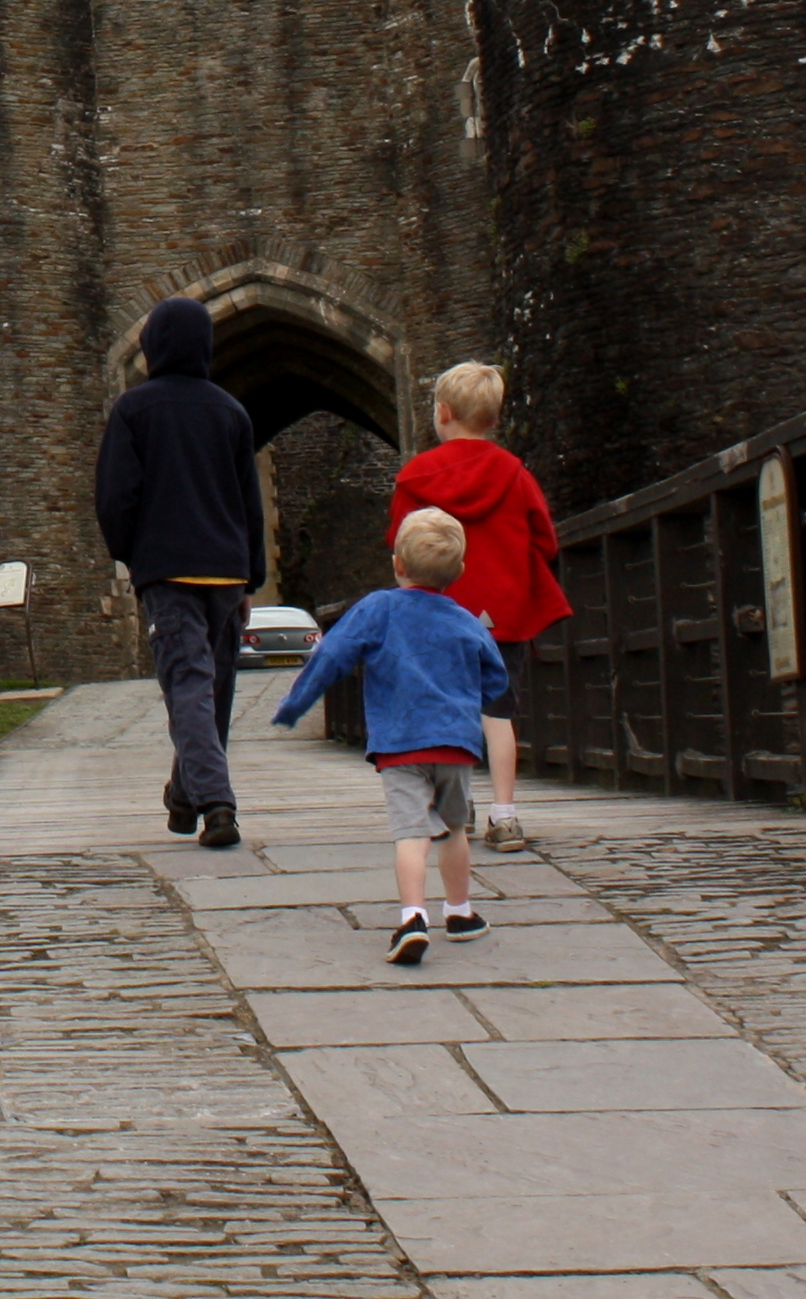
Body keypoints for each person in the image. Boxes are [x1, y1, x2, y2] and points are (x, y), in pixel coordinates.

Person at [271, 507, 515, 962]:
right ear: (459, 571)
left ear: (398, 564)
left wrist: (296, 703)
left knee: (411, 832)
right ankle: (460, 912)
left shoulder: (378, 608)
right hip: (455, 744)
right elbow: (496, 678)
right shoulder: (465, 619)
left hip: (400, 744)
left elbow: (333, 654)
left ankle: (412, 918)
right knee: (454, 828)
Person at [92, 294, 263, 851]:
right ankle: (185, 796)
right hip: (225, 571)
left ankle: (216, 804)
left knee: (188, 684)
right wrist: (251, 578)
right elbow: (249, 505)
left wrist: (134, 558)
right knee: (212, 690)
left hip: (168, 570)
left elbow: (115, 497)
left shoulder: (134, 410)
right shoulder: (231, 412)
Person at [386, 361, 565, 845]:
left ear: (443, 412)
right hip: (501, 615)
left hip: (436, 614)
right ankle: (504, 815)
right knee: (497, 714)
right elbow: (546, 540)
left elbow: (400, 544)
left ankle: (451, 808)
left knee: (443, 711)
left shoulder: (415, 477)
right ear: (494, 416)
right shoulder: (514, 474)